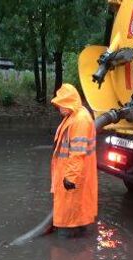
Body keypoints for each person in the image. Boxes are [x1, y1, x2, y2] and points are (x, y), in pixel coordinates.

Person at [50, 84, 98, 238]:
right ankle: (78, 237)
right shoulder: (74, 115)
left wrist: (70, 178)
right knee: (76, 213)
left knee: (69, 218)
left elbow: (78, 154)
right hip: (71, 176)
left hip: (72, 178)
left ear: (70, 102)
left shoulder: (80, 120)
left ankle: (65, 250)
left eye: (61, 104)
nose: (59, 108)